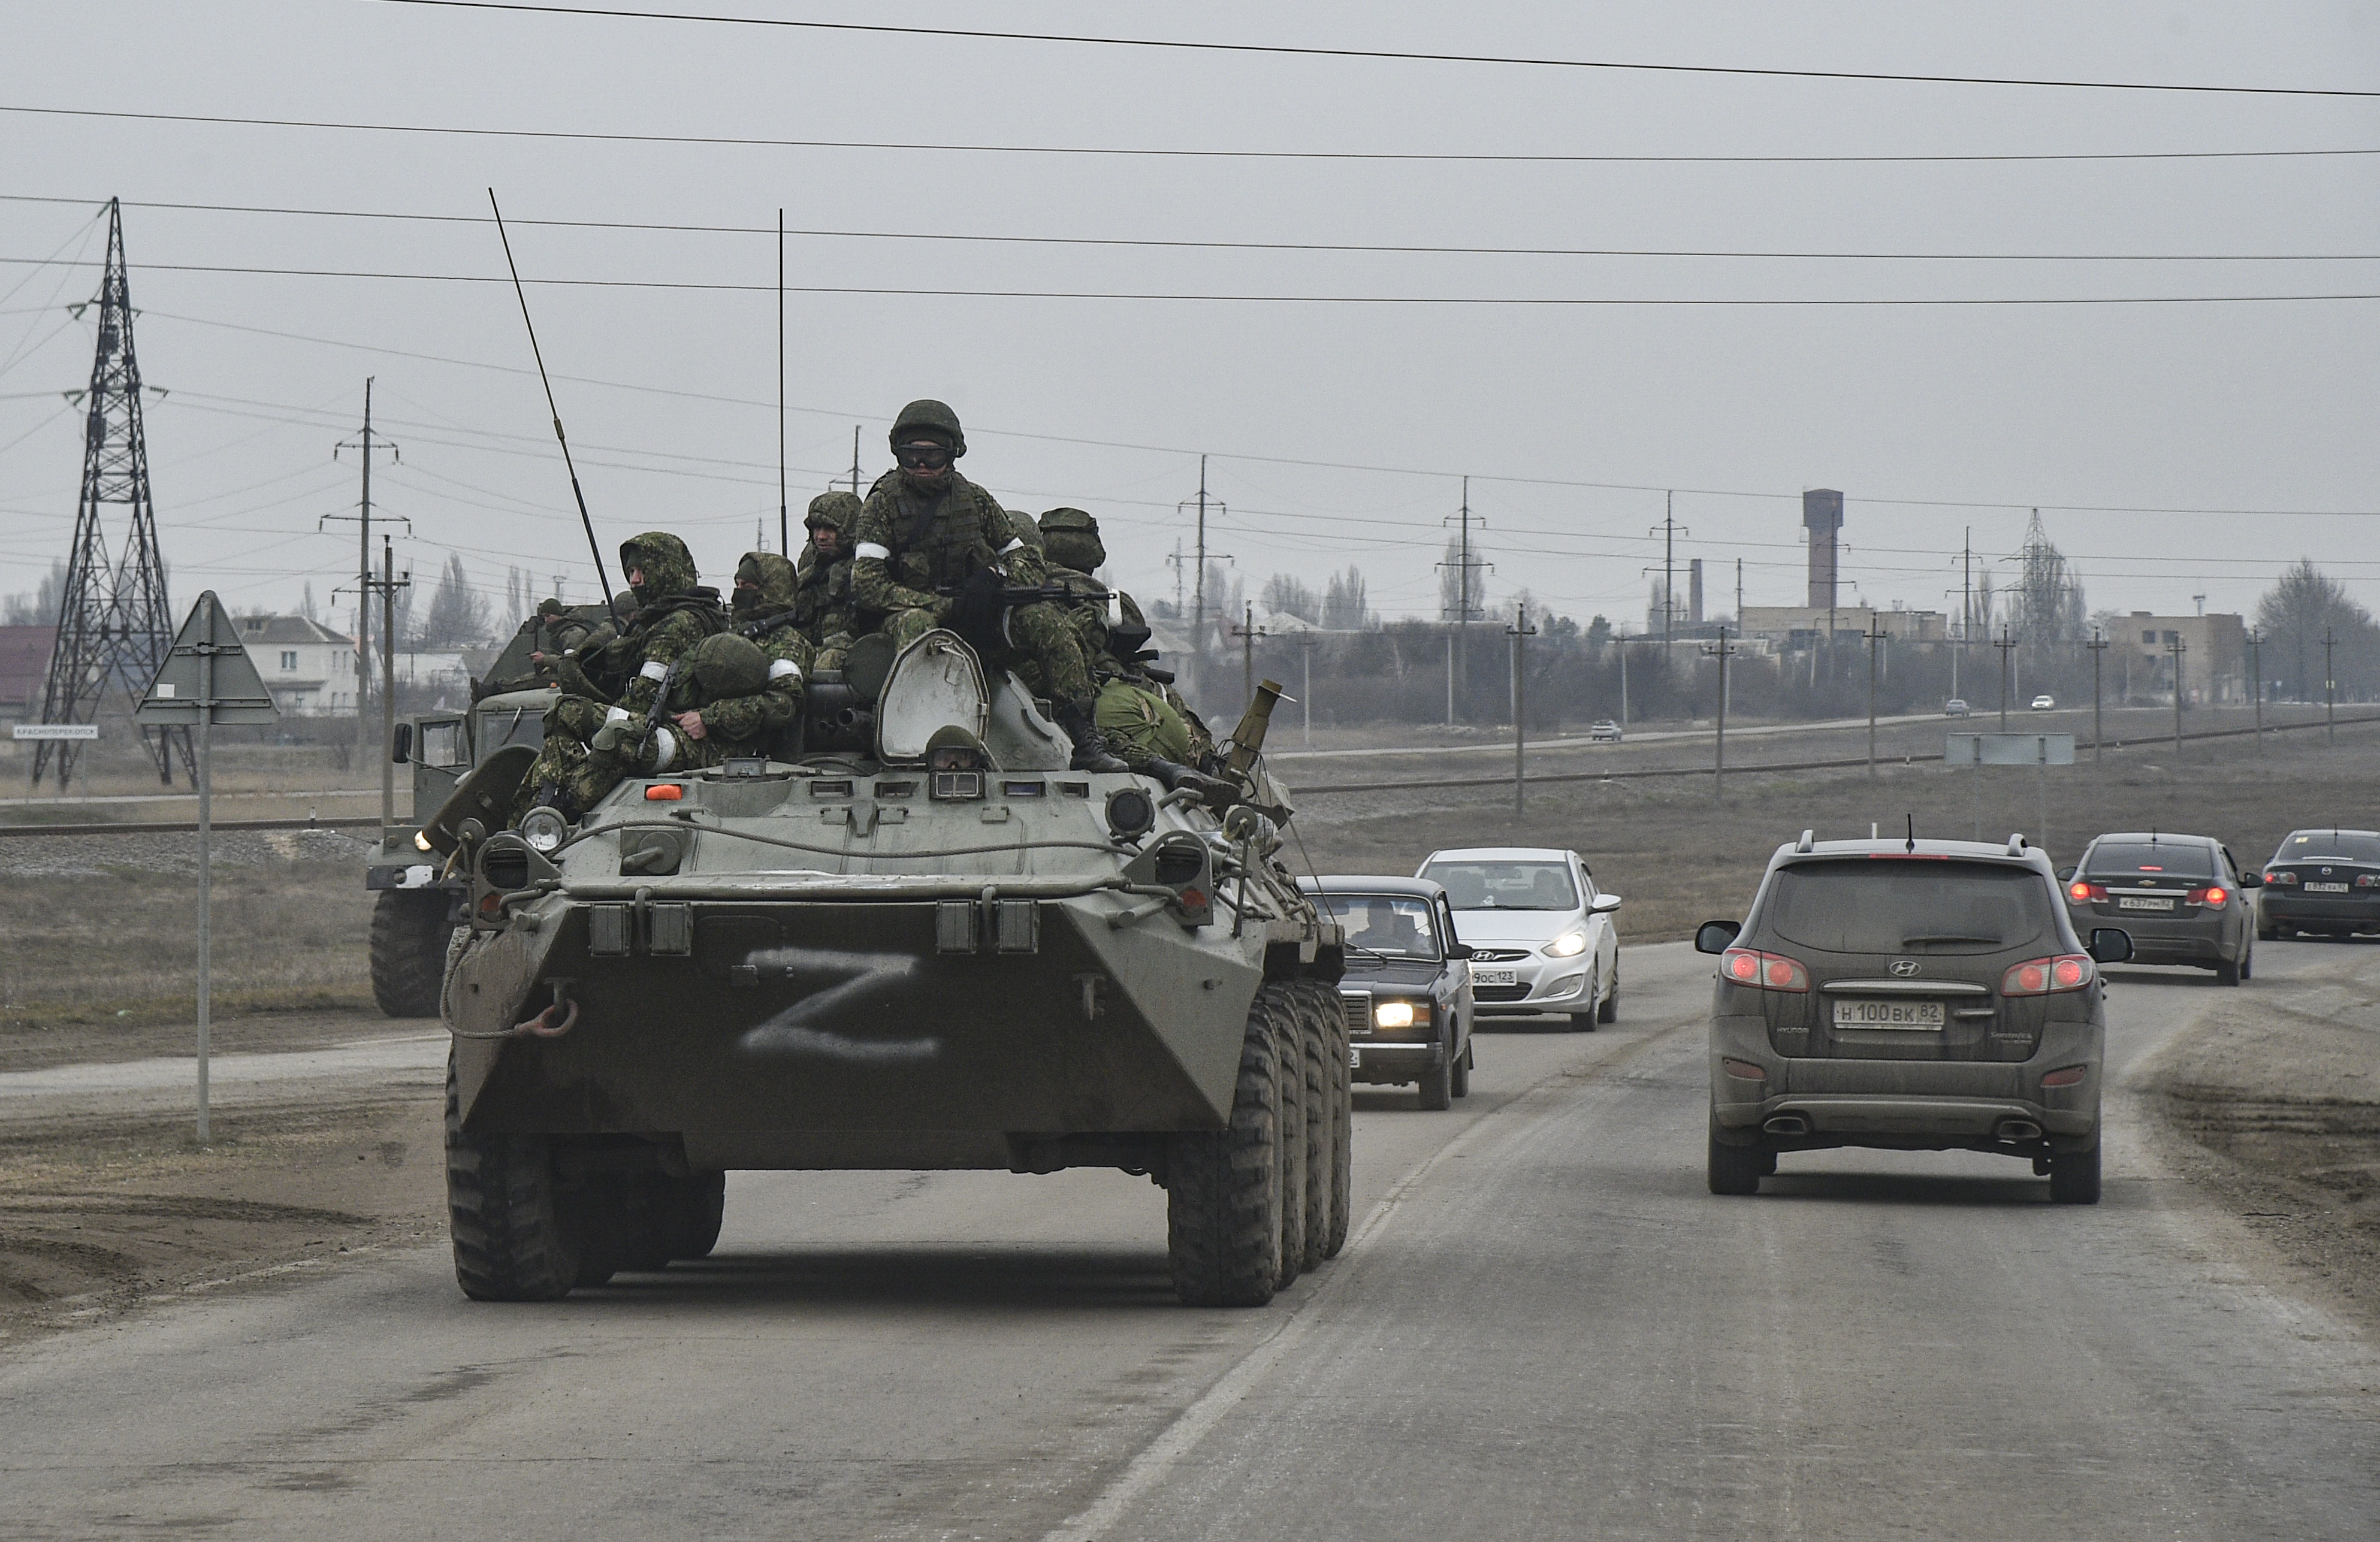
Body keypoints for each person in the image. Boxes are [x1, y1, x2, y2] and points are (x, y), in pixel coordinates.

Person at [848, 399, 1123, 771]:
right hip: (912, 618)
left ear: (954, 454)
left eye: (934, 456)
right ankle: (917, 743)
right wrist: (938, 606)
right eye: (913, 456)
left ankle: (1084, 737)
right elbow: (866, 585)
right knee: (920, 630)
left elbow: (1028, 561)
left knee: (1045, 622)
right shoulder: (882, 505)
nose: (923, 466)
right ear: (899, 455)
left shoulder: (974, 500)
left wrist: (995, 579)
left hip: (979, 619)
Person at [514, 532, 727, 820]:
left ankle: (550, 813)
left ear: (665, 570)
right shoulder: (660, 620)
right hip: (658, 726)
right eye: (630, 572)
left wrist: (596, 709)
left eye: (642, 571)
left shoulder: (679, 624)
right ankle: (540, 811)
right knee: (576, 718)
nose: (635, 580)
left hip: (677, 732)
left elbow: (643, 699)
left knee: (570, 713)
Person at [792, 491, 862, 667]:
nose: (821, 536)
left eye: (830, 529)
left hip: (849, 654)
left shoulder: (863, 566)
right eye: (817, 528)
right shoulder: (809, 567)